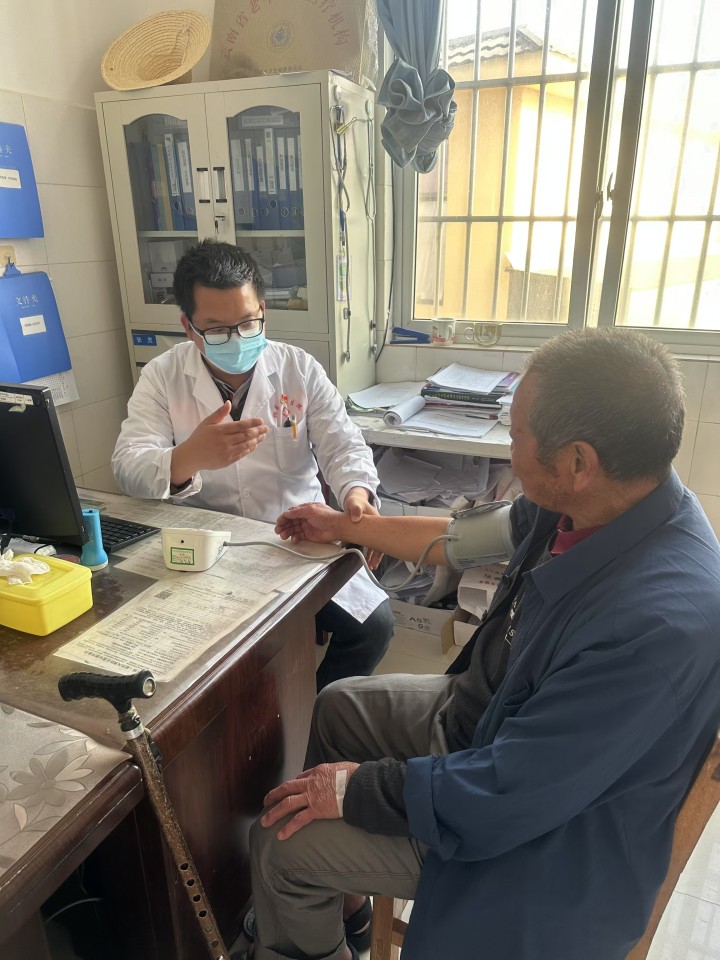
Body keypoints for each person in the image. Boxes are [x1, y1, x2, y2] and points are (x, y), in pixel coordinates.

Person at [241, 329, 720, 960]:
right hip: (489, 726)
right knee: (338, 707)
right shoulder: (593, 505)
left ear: (578, 463)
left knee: (280, 845)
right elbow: (459, 540)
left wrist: (359, 791)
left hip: (535, 833)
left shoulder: (654, 624)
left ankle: (306, 900)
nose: (510, 448)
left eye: (516, 435)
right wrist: (343, 526)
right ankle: (345, 907)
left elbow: (512, 792)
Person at [112, 240, 393, 690]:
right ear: (188, 327)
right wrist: (188, 458)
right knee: (215, 659)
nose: (237, 339)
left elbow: (343, 446)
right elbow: (128, 467)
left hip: (297, 538)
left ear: (263, 310)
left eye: (247, 323)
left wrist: (357, 495)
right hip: (205, 546)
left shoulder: (298, 368)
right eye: (217, 330)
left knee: (373, 627)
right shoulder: (162, 376)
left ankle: (314, 711)